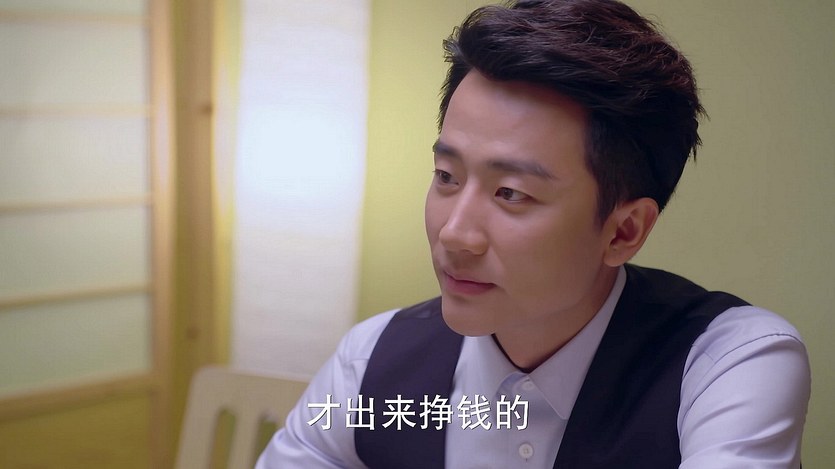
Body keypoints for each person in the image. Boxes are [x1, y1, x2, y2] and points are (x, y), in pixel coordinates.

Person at [256, 0, 811, 467]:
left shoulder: (728, 363)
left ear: (623, 231)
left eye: (511, 193)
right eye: (447, 177)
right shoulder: (372, 361)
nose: (455, 234)